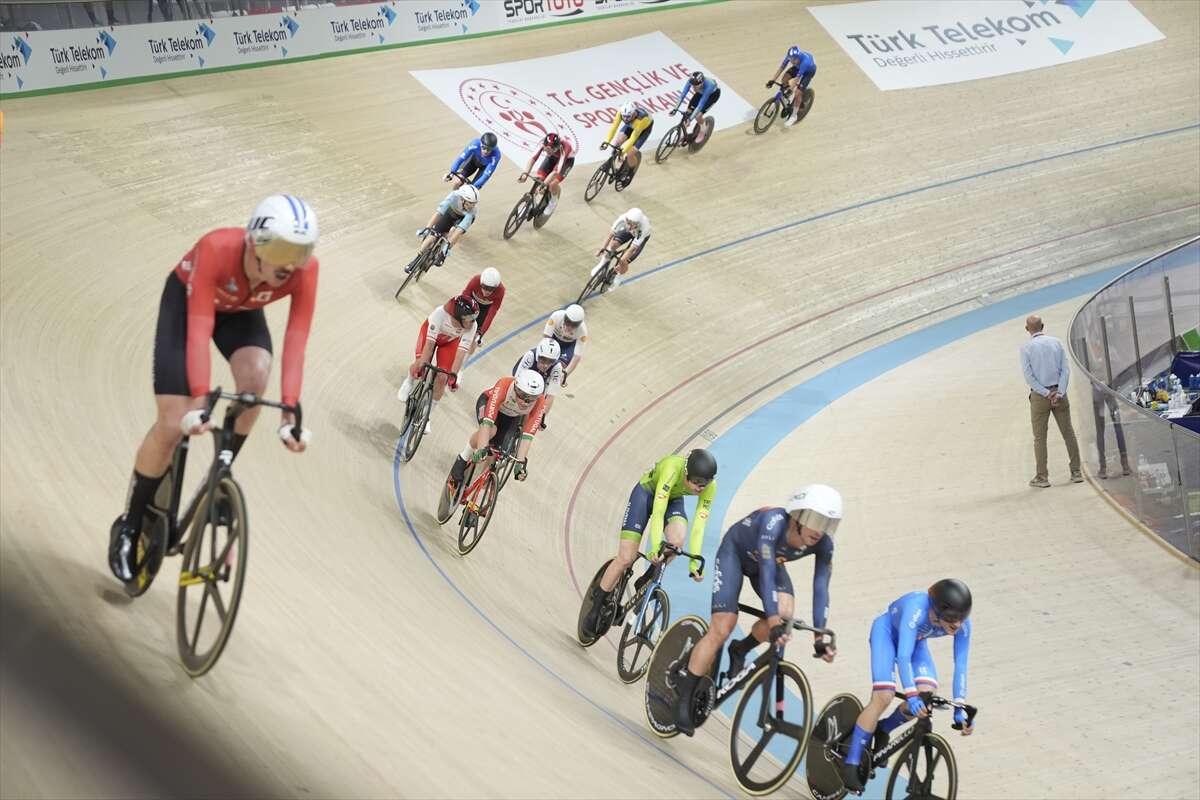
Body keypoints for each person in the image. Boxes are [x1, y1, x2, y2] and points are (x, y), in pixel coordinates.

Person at [108, 195, 318, 583]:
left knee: (256, 380)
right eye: (285, 249)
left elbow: (296, 341)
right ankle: (129, 525)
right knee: (173, 423)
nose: (292, 263)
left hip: (240, 313)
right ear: (255, 243)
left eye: (301, 252)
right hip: (189, 306)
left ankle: (217, 478)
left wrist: (289, 411)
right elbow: (199, 328)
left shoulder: (305, 272)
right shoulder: (217, 248)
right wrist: (200, 401)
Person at [672, 485, 841, 735]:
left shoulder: (824, 544)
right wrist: (772, 623)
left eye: (827, 522)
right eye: (815, 520)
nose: (820, 529)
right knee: (723, 626)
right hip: (736, 555)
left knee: (786, 614)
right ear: (798, 515)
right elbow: (768, 574)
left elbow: (820, 588)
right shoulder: (774, 523)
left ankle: (741, 649)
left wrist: (819, 637)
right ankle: (685, 698)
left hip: (769, 563)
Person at [840, 579, 975, 793]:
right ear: (938, 609)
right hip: (887, 635)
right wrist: (910, 695)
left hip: (916, 642)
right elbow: (903, 656)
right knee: (884, 696)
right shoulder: (916, 609)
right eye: (952, 618)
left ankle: (883, 729)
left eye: (961, 618)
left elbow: (961, 664)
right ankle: (852, 762)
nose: (957, 625)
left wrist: (960, 706)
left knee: (927, 697)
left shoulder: (962, 624)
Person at [581, 449, 718, 638]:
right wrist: (653, 546)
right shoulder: (672, 467)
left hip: (672, 499)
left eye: (705, 483)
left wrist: (694, 561)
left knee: (676, 542)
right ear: (686, 473)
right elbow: (658, 511)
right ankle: (596, 605)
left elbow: (699, 527)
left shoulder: (709, 487)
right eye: (696, 482)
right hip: (645, 494)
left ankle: (645, 579)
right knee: (626, 557)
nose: (700, 488)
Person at [445, 369, 547, 495]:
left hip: (511, 416)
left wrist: (520, 463)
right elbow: (487, 423)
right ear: (515, 387)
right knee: (491, 431)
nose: (524, 402)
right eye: (521, 395)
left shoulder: (540, 403)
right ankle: (463, 457)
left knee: (499, 451)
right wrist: (482, 448)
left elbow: (527, 437)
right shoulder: (504, 385)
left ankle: (480, 486)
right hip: (488, 403)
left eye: (531, 399)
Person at [396, 294, 479, 434]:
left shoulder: (472, 326)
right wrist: (423, 364)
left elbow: (460, 354)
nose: (473, 322)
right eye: (470, 319)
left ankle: (426, 415)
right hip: (430, 335)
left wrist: (453, 376)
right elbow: (428, 346)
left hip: (449, 342)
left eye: (474, 318)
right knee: (420, 364)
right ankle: (409, 380)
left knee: (443, 377)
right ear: (460, 317)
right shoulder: (440, 314)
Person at [1020, 314, 1082, 487]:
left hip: (1040, 397)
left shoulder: (1026, 348)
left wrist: (1046, 393)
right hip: (1059, 392)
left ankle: (1042, 477)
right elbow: (1065, 370)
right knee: (1068, 432)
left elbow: (1029, 376)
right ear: (1043, 326)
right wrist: (1059, 392)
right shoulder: (1056, 342)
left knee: (1040, 438)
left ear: (1027, 329)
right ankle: (1076, 472)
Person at [411, 184, 478, 269]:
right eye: (470, 204)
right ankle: (417, 258)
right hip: (451, 213)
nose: (472, 207)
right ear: (462, 199)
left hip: (462, 220)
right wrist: (428, 228)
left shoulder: (473, 211)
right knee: (432, 236)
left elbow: (459, 231)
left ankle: (443, 253)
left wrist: (448, 246)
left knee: (453, 232)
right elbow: (439, 212)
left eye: (474, 204)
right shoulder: (454, 196)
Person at [590, 208, 650, 292]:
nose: (629, 226)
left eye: (632, 224)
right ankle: (602, 264)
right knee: (612, 245)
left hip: (640, 237)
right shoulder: (623, 218)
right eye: (628, 223)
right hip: (629, 232)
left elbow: (632, 249)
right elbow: (611, 234)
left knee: (623, 261)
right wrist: (603, 248)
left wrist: (622, 261)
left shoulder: (644, 228)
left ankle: (618, 278)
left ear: (638, 223)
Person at [518, 132, 575, 220]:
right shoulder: (543, 143)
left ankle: (553, 201)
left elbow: (556, 172)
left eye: (549, 150)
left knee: (552, 184)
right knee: (539, 177)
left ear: (556, 148)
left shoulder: (565, 148)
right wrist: (525, 174)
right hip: (552, 158)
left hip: (566, 161)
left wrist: (544, 184)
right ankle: (529, 204)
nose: (547, 152)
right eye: (546, 149)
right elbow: (532, 159)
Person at [511, 338, 565, 429]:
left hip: (542, 380)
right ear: (538, 356)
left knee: (538, 399)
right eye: (543, 360)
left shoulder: (557, 367)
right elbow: (515, 381)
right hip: (525, 374)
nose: (545, 365)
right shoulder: (530, 355)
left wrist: (541, 418)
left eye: (550, 361)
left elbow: (550, 396)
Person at [603, 101, 654, 186]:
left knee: (630, 153)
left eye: (628, 117)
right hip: (631, 125)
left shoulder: (642, 119)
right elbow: (614, 127)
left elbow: (633, 138)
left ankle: (630, 173)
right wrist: (607, 141)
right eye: (624, 117)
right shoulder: (621, 113)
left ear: (634, 114)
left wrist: (623, 152)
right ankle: (611, 162)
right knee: (617, 142)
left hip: (643, 128)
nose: (626, 119)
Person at [766, 45, 816, 127]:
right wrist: (772, 80)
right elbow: (781, 68)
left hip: (808, 71)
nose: (791, 62)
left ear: (798, 57)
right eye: (790, 59)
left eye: (793, 60)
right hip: (798, 67)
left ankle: (794, 116)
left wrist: (791, 89)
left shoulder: (805, 62)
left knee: (797, 93)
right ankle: (787, 98)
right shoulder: (790, 57)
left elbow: (797, 78)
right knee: (784, 79)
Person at [1091, 379, 1130, 479]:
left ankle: (1103, 467)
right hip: (1108, 386)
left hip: (1098, 388)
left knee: (1101, 430)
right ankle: (1124, 464)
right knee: (1117, 426)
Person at [461, 267, 505, 355]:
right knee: (461, 325)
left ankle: (465, 360)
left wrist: (481, 333)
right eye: (485, 287)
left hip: (485, 309)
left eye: (491, 289)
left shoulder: (501, 291)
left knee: (475, 338)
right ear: (481, 283)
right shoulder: (475, 280)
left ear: (496, 287)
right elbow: (464, 297)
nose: (487, 292)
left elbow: (491, 314)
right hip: (472, 302)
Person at [543, 304, 588, 383]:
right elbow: (546, 338)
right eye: (567, 322)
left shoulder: (583, 331)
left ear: (579, 324)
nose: (569, 327)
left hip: (568, 346)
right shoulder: (556, 316)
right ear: (564, 317)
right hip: (554, 339)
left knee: (559, 367)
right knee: (546, 359)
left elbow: (577, 356)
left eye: (574, 325)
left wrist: (565, 374)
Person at [672, 71, 721, 144]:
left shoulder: (709, 86)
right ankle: (683, 135)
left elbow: (700, 105)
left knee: (698, 116)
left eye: (695, 86)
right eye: (693, 85)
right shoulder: (691, 80)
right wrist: (675, 109)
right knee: (687, 113)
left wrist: (690, 119)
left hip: (712, 95)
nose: (693, 87)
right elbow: (682, 95)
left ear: (701, 83)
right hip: (700, 93)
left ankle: (703, 131)